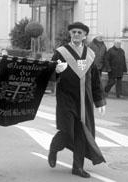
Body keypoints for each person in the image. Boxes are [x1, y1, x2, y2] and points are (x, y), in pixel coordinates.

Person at [48, 22, 106, 178]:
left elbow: (95, 81)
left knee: (81, 133)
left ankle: (78, 167)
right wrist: (56, 71)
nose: (76, 34)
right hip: (66, 98)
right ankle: (54, 147)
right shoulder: (61, 52)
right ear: (70, 34)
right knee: (67, 130)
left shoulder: (90, 54)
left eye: (80, 32)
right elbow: (49, 76)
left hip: (84, 100)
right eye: (73, 32)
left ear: (85, 35)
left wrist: (99, 101)